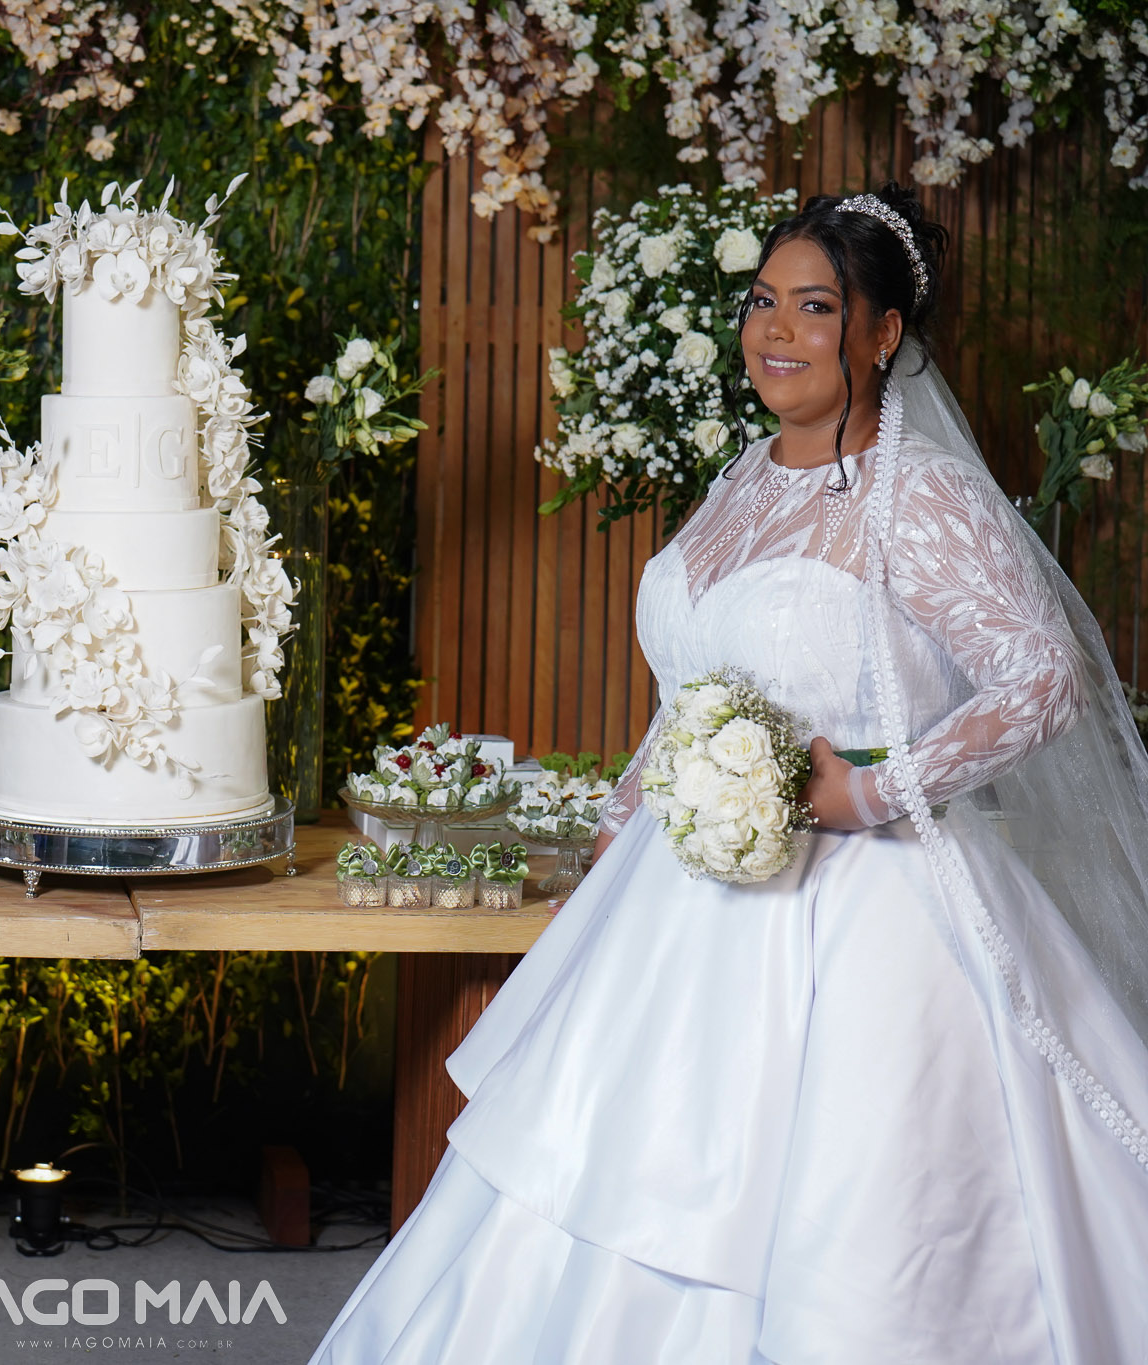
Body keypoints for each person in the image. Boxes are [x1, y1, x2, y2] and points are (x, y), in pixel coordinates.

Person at [310, 186, 1148, 1362]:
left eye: (815, 307)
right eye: (761, 302)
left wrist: (868, 792)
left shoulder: (922, 495)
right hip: (671, 905)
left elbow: (1041, 678)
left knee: (842, 1217)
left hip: (868, 916)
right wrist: (611, 843)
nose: (775, 331)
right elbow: (691, 696)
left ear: (881, 335)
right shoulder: (744, 475)